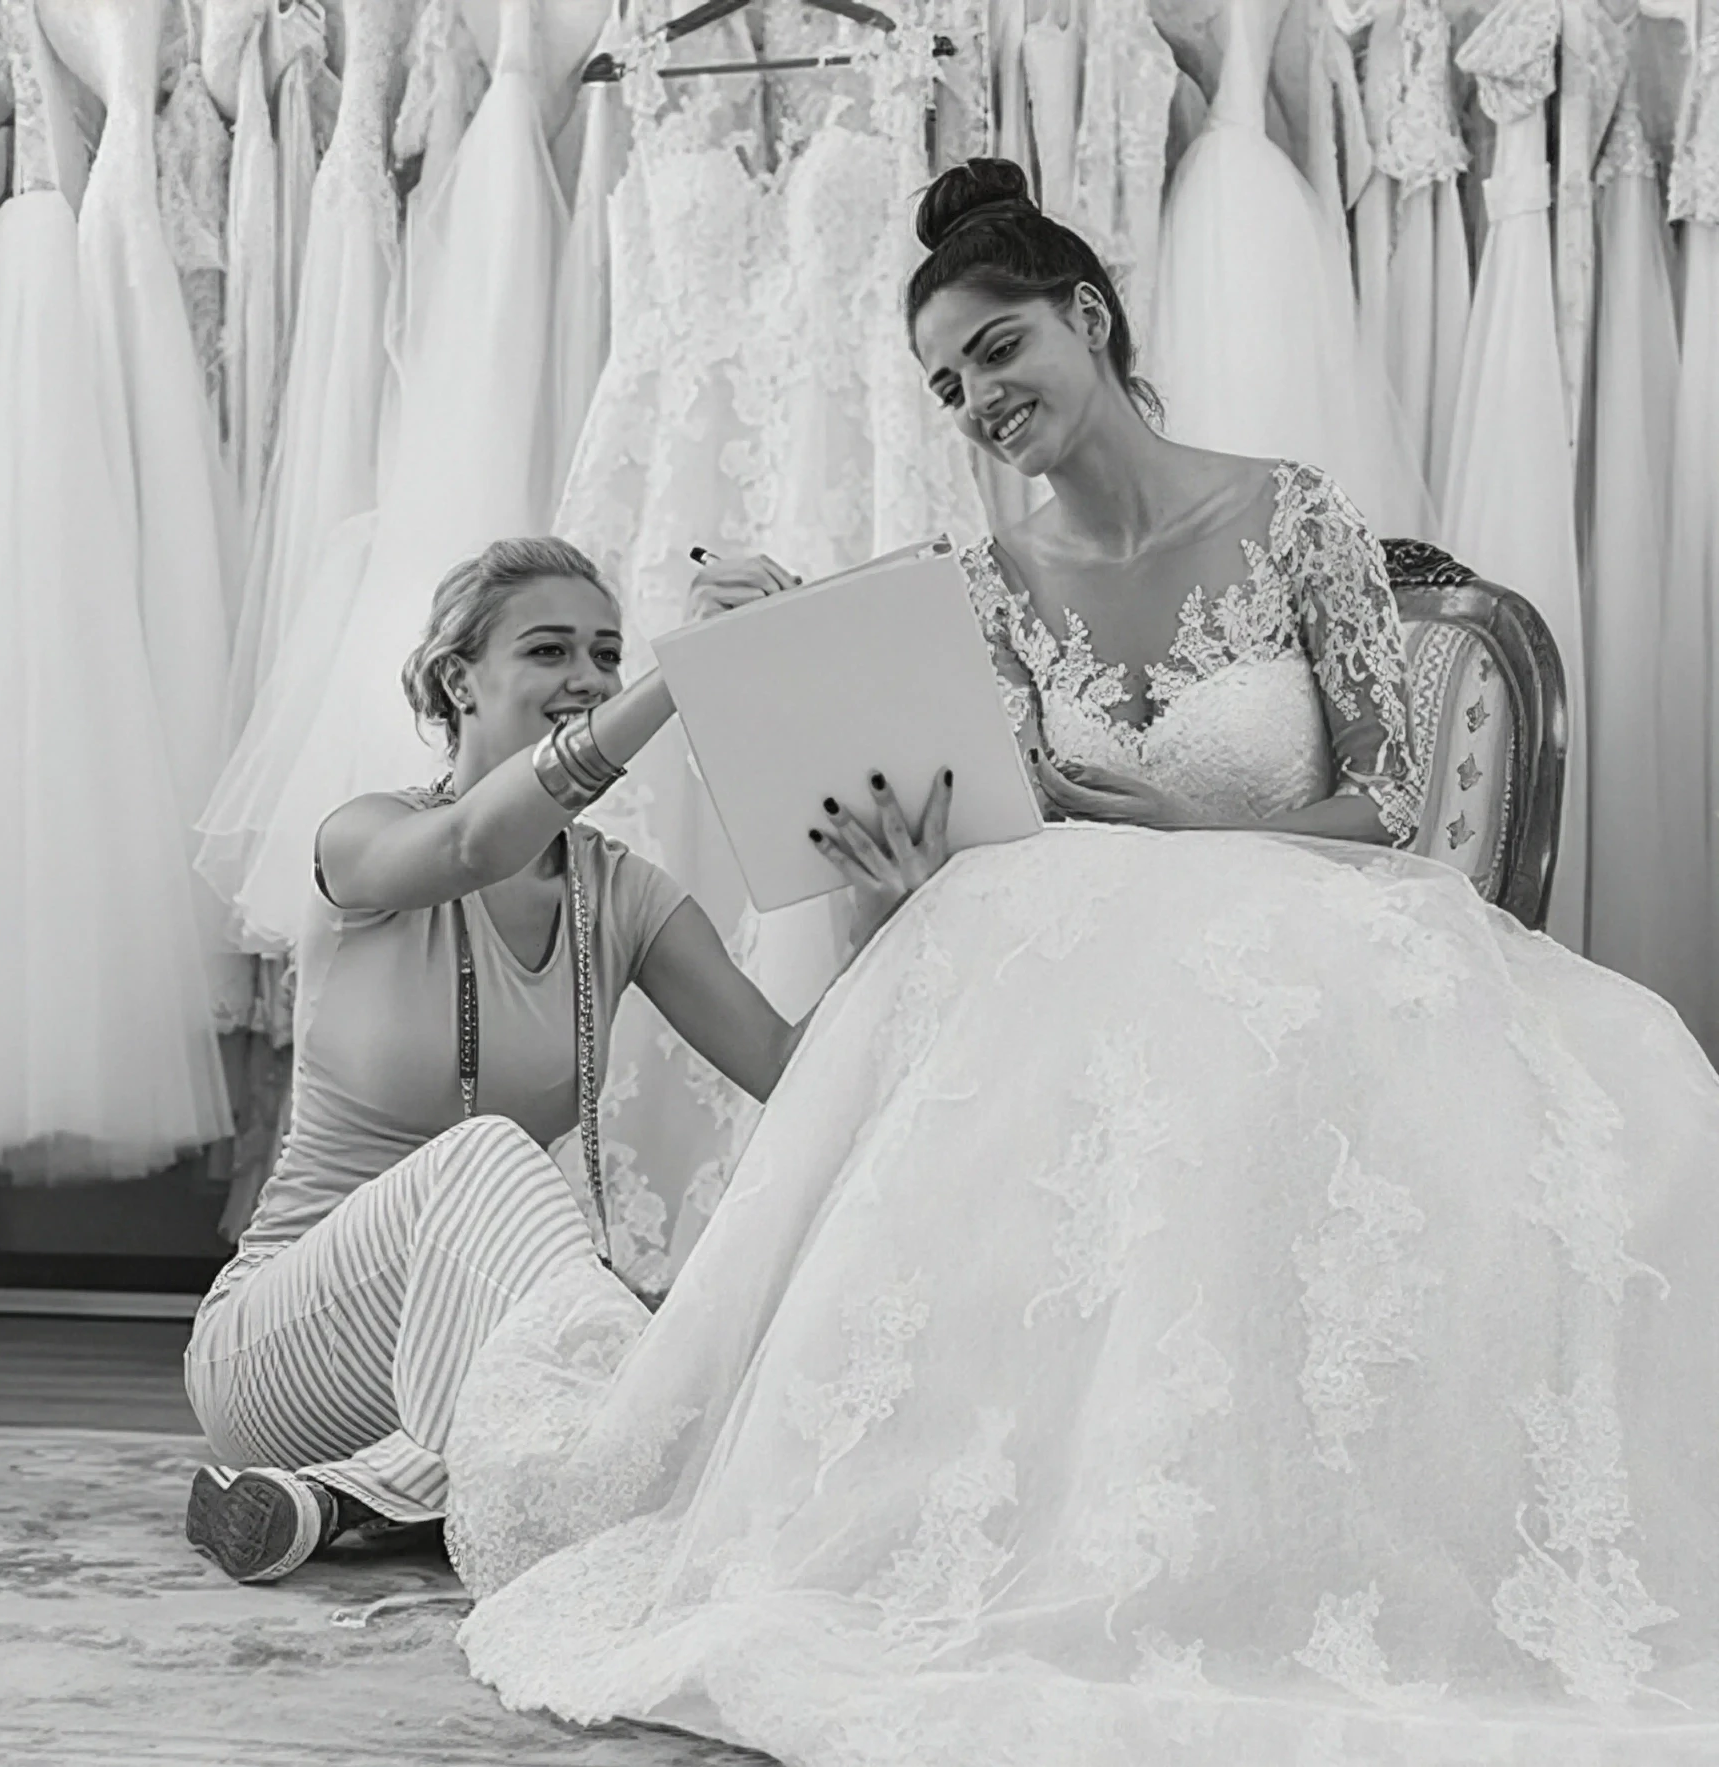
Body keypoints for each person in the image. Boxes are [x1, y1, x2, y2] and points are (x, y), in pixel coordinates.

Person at [442, 163, 1719, 1764]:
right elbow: (985, 808)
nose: (977, 398)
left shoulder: (1292, 510)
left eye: (997, 350)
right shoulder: (983, 581)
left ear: (1088, 318)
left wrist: (1190, 814)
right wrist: (895, 848)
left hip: (1312, 935)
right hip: (1085, 952)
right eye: (947, 382)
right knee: (982, 955)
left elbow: (1395, 800)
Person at [181, 536, 946, 1585]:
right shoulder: (362, 837)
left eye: (605, 653)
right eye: (549, 652)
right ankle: (560, 1471)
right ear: (459, 679)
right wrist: (679, 673)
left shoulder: (623, 894)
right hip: (279, 1351)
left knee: (686, 1323)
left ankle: (351, 1494)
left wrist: (886, 910)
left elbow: (787, 1064)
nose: (585, 678)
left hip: (449, 1360)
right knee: (493, 1157)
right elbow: (469, 848)